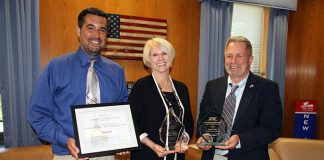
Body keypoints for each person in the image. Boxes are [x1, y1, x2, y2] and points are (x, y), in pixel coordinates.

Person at [28, 8, 128, 160]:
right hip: (67, 154)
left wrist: (123, 137)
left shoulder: (116, 71)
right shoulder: (56, 67)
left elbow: (122, 111)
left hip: (106, 154)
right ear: (78, 30)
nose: (96, 35)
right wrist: (64, 140)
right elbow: (37, 114)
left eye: (102, 30)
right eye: (90, 28)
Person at [196, 36, 283, 160]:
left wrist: (240, 139)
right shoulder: (212, 86)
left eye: (239, 56)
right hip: (213, 156)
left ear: (250, 59)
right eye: (229, 56)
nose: (233, 61)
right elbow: (204, 120)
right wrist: (207, 136)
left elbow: (272, 128)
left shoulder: (267, 88)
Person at [128, 37, 194, 160]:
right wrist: (152, 146)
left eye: (164, 53)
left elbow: (188, 122)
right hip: (148, 154)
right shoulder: (141, 87)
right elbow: (132, 123)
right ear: (148, 60)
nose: (161, 58)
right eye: (155, 55)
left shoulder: (181, 88)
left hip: (176, 155)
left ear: (171, 57)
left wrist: (184, 140)